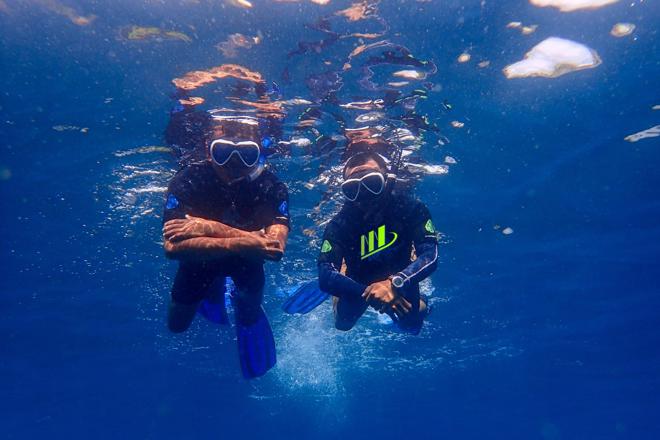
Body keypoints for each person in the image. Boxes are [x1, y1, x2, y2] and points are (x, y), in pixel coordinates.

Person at [161, 114, 290, 378]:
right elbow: (172, 248)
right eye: (223, 152)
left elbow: (275, 249)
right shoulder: (188, 180)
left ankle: (223, 287)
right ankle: (216, 286)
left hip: (239, 261)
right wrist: (245, 241)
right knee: (177, 325)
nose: (234, 163)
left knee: (248, 317)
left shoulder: (271, 186)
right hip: (202, 263)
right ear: (209, 151)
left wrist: (209, 227)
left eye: (246, 154)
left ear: (259, 153)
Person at [317, 142, 438, 334]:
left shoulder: (411, 208)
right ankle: (344, 270)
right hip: (358, 280)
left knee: (412, 324)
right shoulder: (338, 225)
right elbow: (324, 275)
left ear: (387, 180)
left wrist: (396, 282)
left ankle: (424, 301)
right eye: (353, 189)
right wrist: (371, 292)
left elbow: (431, 255)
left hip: (400, 276)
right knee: (343, 325)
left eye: (372, 184)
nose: (363, 195)